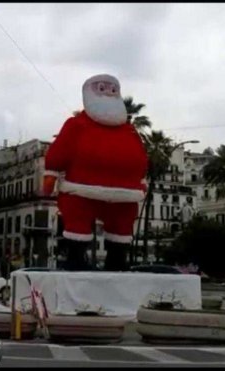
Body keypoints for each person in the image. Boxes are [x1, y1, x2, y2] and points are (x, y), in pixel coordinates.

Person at [43, 74, 148, 271]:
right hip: (83, 190)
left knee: (121, 224)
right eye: (102, 89)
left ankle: (116, 260)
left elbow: (141, 158)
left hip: (123, 194)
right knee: (77, 220)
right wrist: (51, 174)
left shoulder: (130, 131)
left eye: (112, 90)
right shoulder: (76, 126)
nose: (108, 93)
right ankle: (76, 258)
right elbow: (60, 151)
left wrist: (141, 179)